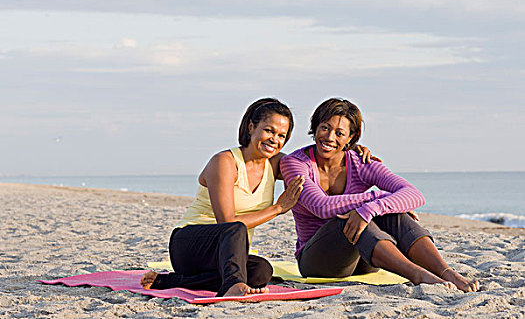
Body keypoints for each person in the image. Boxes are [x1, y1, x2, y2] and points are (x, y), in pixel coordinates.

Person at [280, 98, 480, 292]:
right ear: (315, 127)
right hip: (319, 261)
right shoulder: (295, 163)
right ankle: (419, 275)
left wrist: (373, 208)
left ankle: (447, 273)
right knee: (351, 217)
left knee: (393, 215)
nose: (330, 137)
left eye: (339, 133)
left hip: (365, 259)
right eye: (325, 127)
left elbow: (415, 195)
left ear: (351, 138)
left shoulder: (360, 162)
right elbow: (322, 206)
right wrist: (378, 199)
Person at [140, 98, 305, 297]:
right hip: (189, 245)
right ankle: (232, 286)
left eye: (281, 135)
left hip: (227, 255)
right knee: (234, 227)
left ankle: (169, 281)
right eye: (269, 130)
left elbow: (311, 166)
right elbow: (226, 222)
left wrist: (350, 153)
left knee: (261, 271)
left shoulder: (275, 163)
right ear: (251, 127)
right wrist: (278, 208)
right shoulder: (225, 162)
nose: (274, 139)